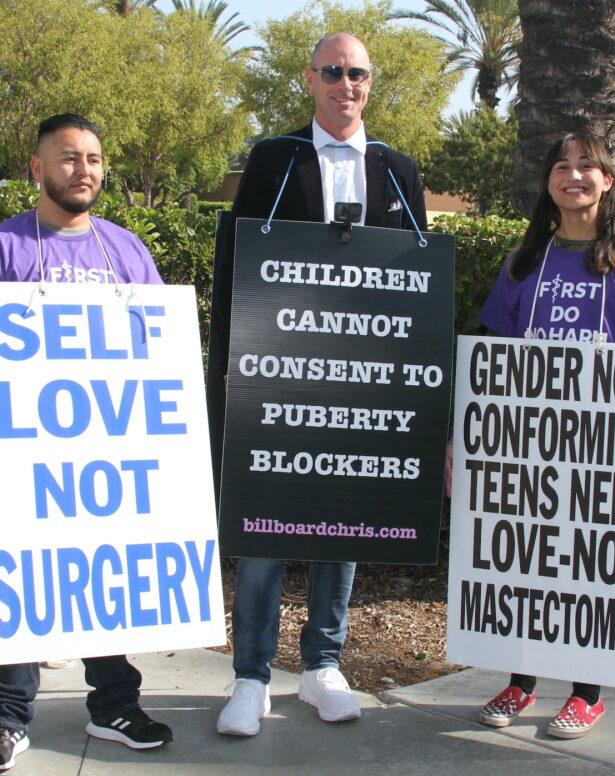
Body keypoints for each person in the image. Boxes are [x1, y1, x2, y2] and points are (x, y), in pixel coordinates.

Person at [207, 32, 428, 737]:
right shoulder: (276, 158)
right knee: (265, 530)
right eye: (332, 71)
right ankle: (250, 675)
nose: (346, 84)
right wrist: (229, 371)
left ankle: (323, 666)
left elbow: (415, 279)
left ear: (370, 82)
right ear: (310, 79)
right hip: (276, 384)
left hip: (360, 390)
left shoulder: (398, 172)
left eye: (357, 73)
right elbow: (236, 259)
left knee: (345, 520)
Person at [0, 113, 173, 772]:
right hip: (28, 454)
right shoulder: (2, 249)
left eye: (94, 158)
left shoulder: (126, 250)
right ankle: (6, 718)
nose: (84, 170)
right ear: (37, 169)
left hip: (108, 449)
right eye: (68, 158)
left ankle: (114, 705)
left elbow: (154, 347)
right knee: (25, 580)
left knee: (101, 577)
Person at [466, 132, 615, 739]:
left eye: (586, 167)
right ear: (548, 183)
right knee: (525, 561)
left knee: (591, 569)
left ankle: (587, 694)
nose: (573, 177)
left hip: (605, 449)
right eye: (561, 167)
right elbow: (491, 359)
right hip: (524, 442)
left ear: (608, 181)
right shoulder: (523, 263)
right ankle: (520, 682)